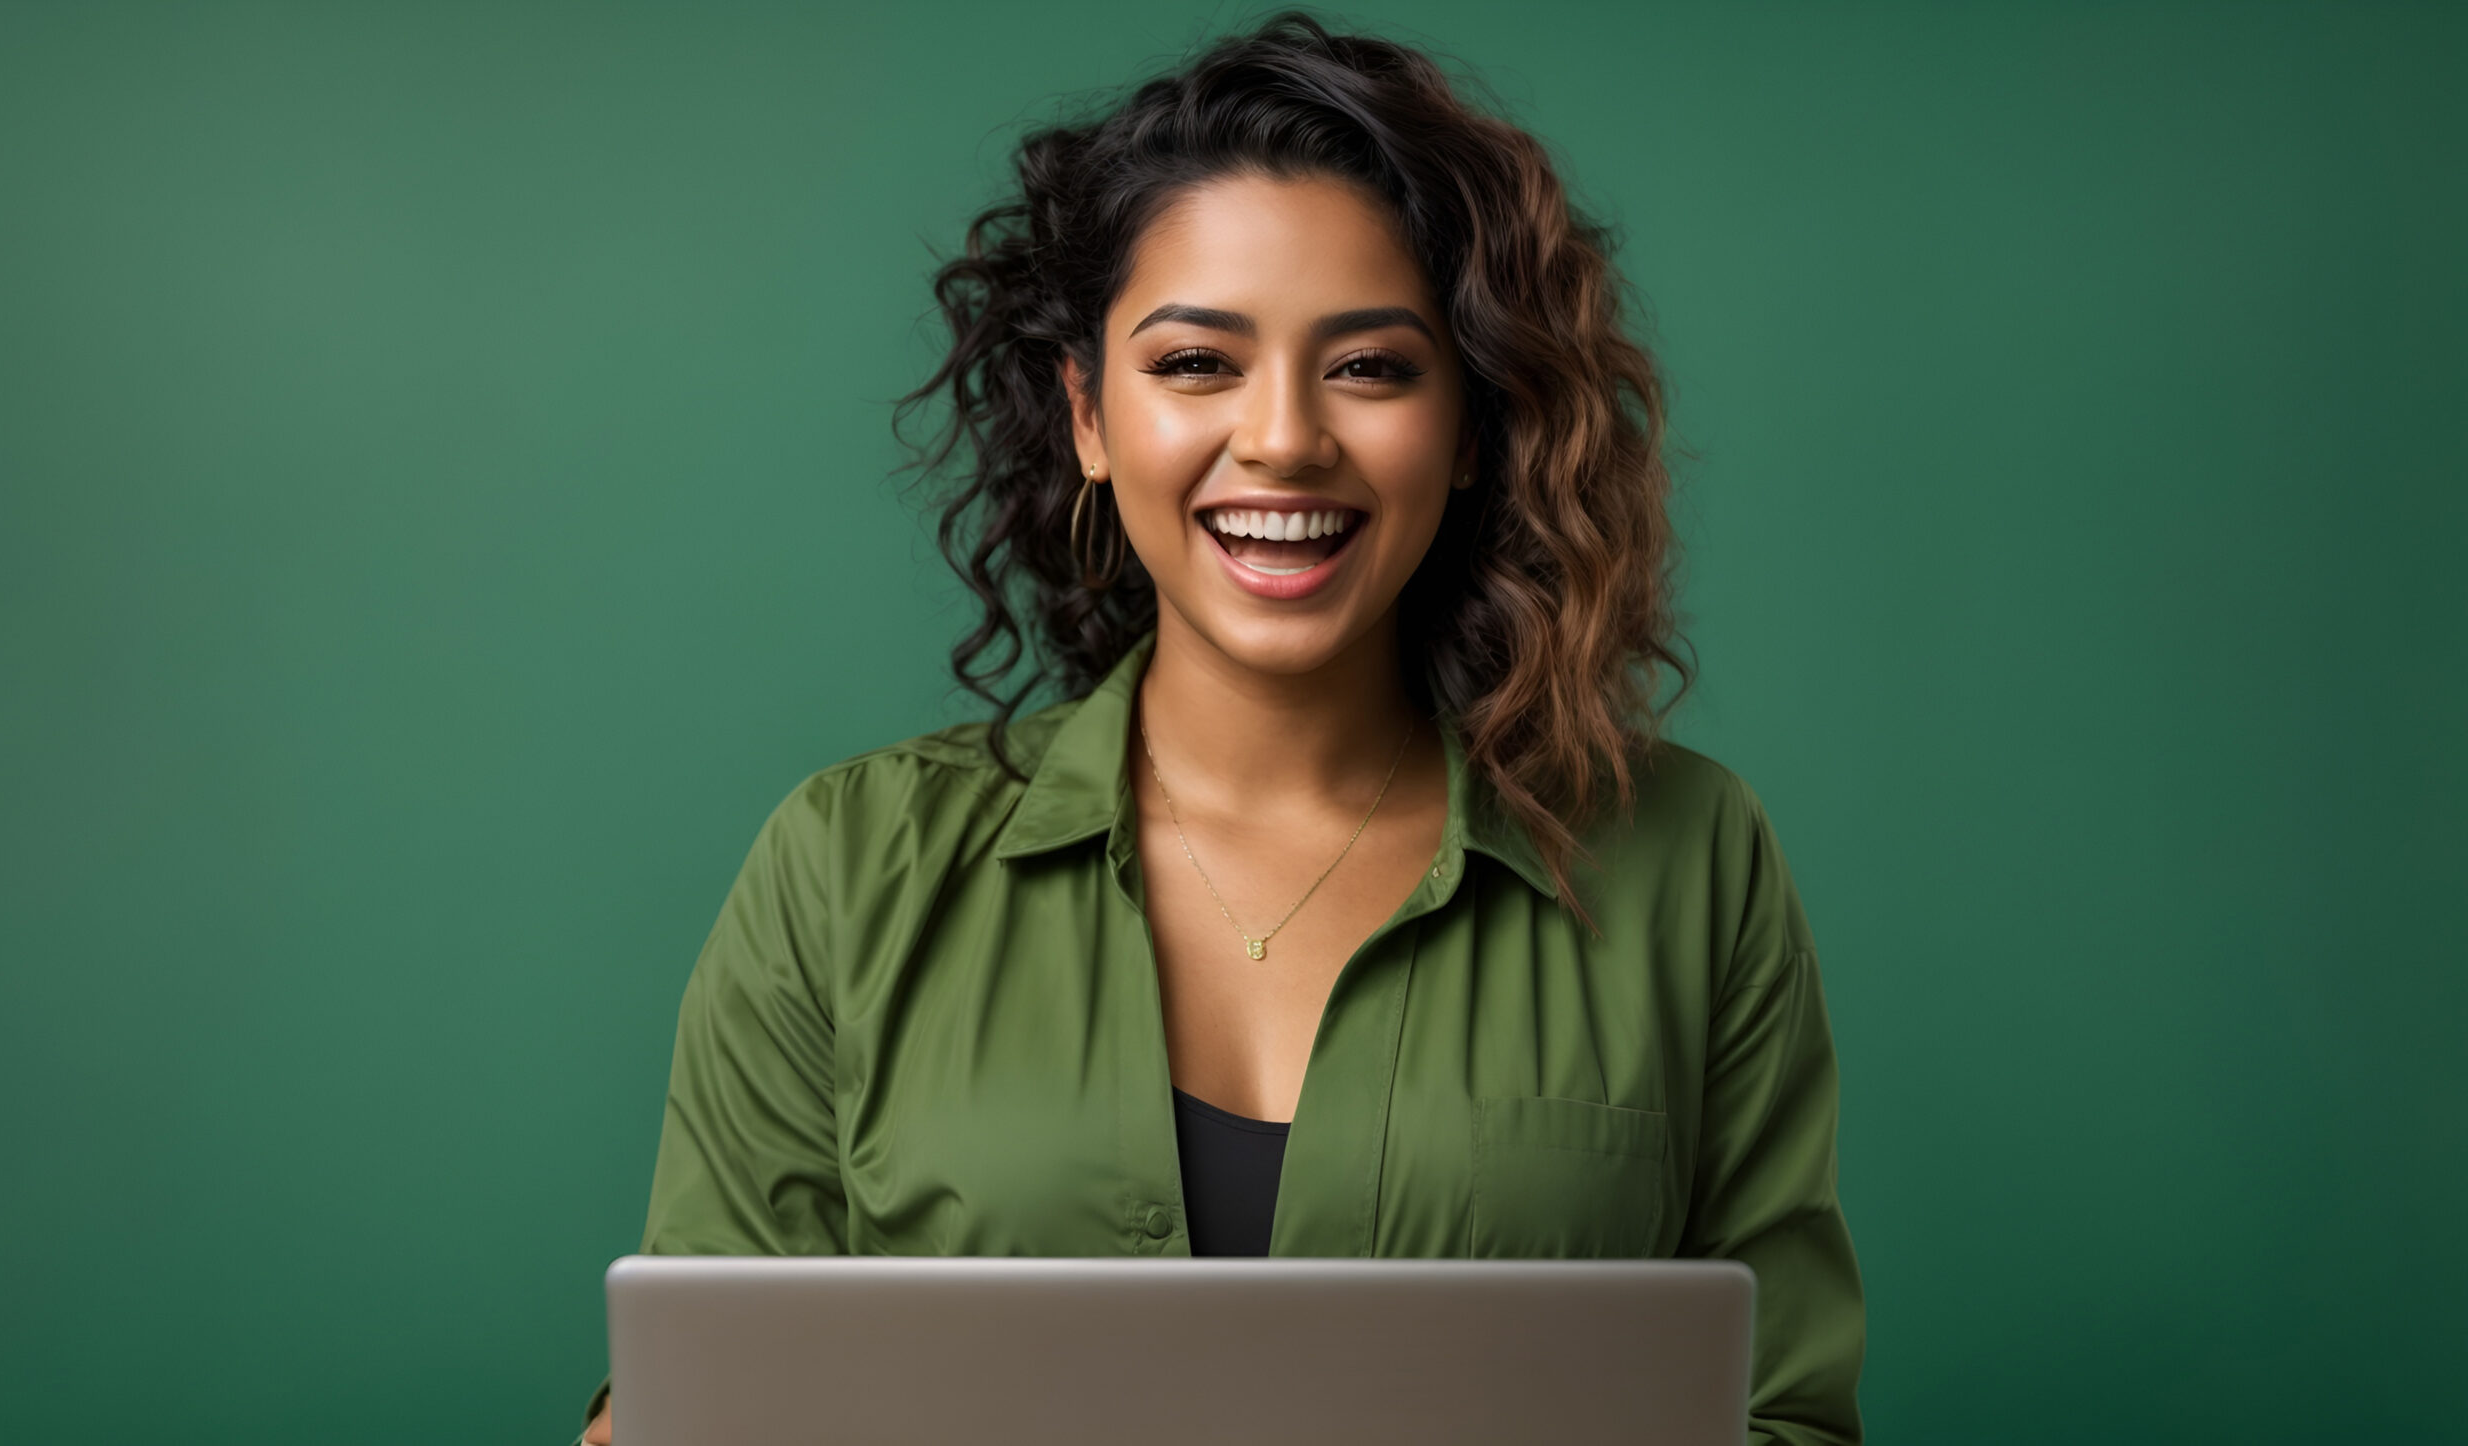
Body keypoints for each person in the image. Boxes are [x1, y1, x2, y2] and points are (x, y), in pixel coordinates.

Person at [575, 10, 1864, 1443]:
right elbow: (710, 1400)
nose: (1284, 438)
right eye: (1196, 364)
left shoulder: (1689, 857)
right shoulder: (842, 870)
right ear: (1087, 411)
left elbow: (1783, 1417)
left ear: (1472, 425)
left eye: (1372, 366)